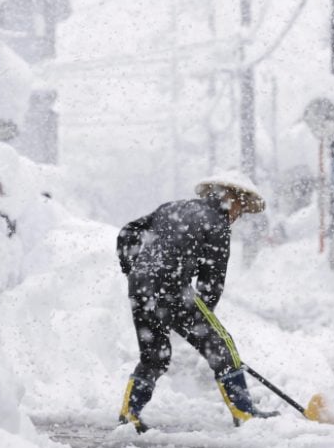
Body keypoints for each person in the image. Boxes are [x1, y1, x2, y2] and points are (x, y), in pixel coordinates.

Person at [116, 172, 277, 432]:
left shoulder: (172, 208)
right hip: (173, 288)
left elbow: (128, 232)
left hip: (140, 288)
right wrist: (202, 324)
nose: (239, 216)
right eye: (241, 209)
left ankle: (129, 412)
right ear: (232, 199)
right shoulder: (217, 223)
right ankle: (244, 413)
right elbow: (212, 281)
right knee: (223, 345)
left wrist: (134, 270)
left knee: (155, 356)